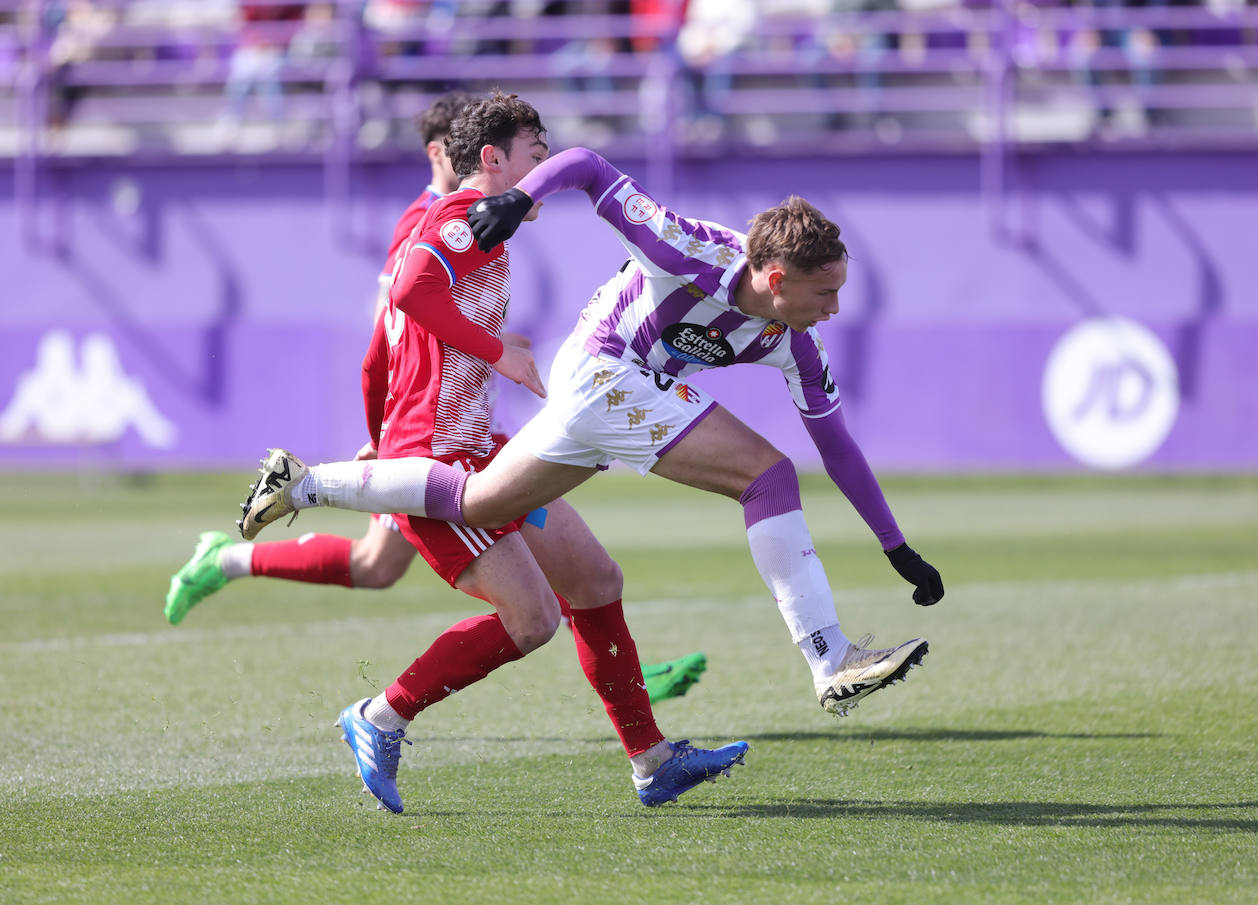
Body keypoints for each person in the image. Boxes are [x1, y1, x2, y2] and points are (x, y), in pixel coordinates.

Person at [239, 146, 946, 718]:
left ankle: (305, 482)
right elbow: (587, 165)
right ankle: (828, 657)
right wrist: (521, 196)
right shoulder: (689, 249)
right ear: (777, 276)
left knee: (480, 502)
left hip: (615, 395)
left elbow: (839, 446)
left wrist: (896, 545)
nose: (835, 308)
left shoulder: (796, 343)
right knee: (767, 476)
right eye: (825, 293)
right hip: (601, 366)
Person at [238, 93, 748, 812]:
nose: (541, 176)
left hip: (479, 445)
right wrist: (492, 355)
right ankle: (379, 715)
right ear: (493, 158)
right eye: (535, 158)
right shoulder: (458, 220)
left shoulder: (473, 229)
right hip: (440, 459)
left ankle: (652, 760)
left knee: (597, 580)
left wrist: (382, 422)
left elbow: (380, 350)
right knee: (532, 619)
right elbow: (413, 293)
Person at [165, 92, 707, 706]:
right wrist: (386, 428)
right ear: (459, 153)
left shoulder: (479, 218)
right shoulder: (435, 223)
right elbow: (392, 331)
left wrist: (489, 343)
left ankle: (631, 684)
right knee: (391, 569)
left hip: (467, 430)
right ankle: (232, 562)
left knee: (559, 574)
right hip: (427, 433)